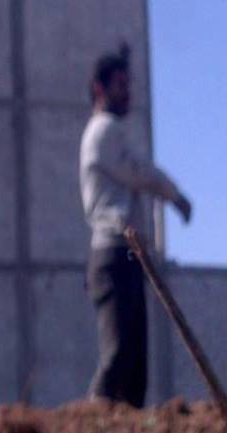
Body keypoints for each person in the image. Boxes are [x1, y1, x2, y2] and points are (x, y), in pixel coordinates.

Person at [80, 44, 192, 408]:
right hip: (113, 253)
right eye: (120, 84)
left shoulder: (108, 132)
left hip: (125, 254)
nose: (127, 92)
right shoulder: (104, 130)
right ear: (100, 89)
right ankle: (95, 427)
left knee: (133, 368)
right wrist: (175, 196)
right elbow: (140, 172)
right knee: (118, 357)